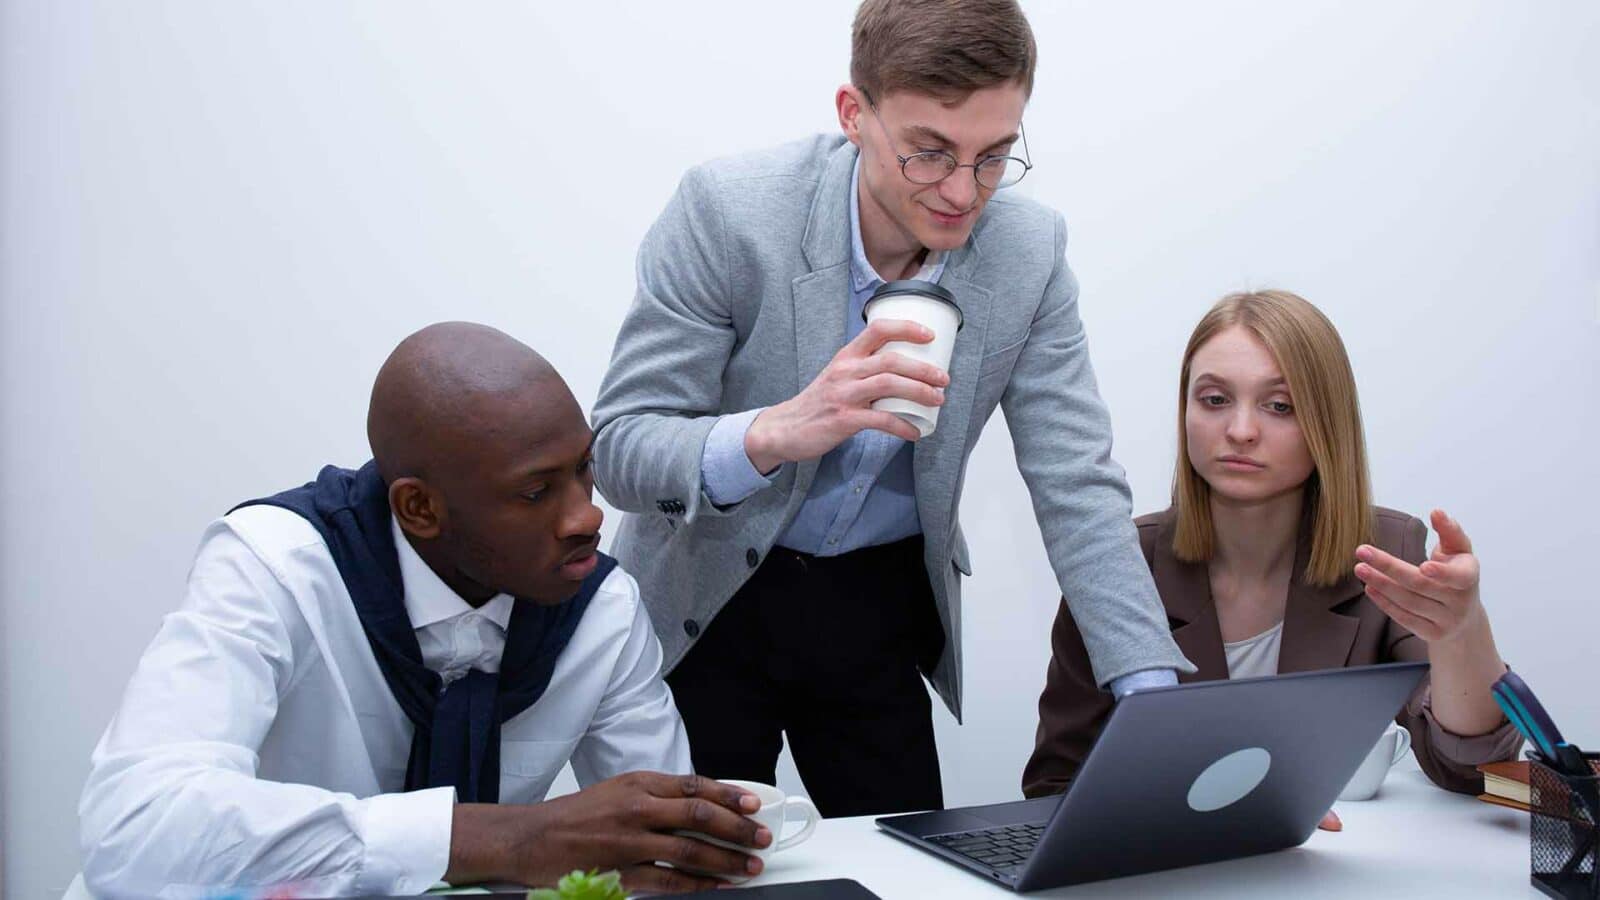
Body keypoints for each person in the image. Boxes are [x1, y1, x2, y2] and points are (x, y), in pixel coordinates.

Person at [590, 0, 1192, 819]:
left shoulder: (1030, 250)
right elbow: (621, 446)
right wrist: (772, 433)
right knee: (697, 867)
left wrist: (1152, 700)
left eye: (994, 157)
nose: (962, 192)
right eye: (930, 153)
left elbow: (1076, 481)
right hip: (709, 598)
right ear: (854, 115)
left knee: (907, 869)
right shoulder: (730, 212)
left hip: (877, 608)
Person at [79, 323, 770, 898]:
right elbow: (135, 828)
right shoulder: (274, 570)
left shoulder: (601, 607)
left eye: (583, 471)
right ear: (418, 508)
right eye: (535, 492)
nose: (587, 516)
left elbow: (657, 851)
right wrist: (499, 838)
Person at [1023, 290, 1521, 821]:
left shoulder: (1387, 550)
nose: (1241, 431)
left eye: (1279, 406)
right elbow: (1056, 783)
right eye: (1214, 400)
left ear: (1327, 425)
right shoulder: (1118, 561)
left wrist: (1463, 631)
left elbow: (1467, 769)